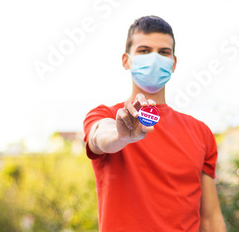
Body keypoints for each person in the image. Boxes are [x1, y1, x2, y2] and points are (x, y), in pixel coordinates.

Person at [83, 16, 227, 232]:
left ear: (174, 63)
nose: (154, 58)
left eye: (163, 52)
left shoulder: (201, 133)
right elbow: (98, 137)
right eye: (143, 50)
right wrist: (121, 136)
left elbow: (210, 219)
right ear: (126, 60)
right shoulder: (106, 115)